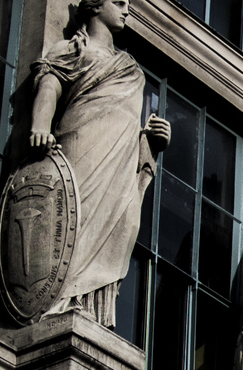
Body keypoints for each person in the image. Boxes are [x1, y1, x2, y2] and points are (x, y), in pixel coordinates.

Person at [28, 0, 170, 327]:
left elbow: (131, 128)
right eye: (118, 2)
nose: (126, 10)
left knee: (121, 224)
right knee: (75, 221)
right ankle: (62, 299)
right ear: (94, 6)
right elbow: (49, 84)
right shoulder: (72, 49)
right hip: (82, 148)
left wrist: (151, 141)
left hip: (120, 162)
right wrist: (39, 125)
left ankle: (93, 309)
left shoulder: (130, 68)